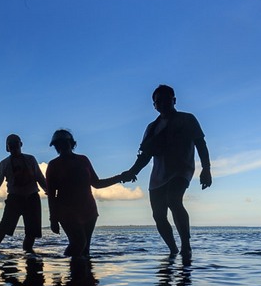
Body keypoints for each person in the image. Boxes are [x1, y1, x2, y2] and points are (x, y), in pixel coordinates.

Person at [118, 84, 212, 259]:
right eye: (157, 101)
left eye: (165, 99)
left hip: (181, 170)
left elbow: (201, 144)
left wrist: (206, 169)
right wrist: (132, 172)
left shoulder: (187, 119)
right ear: (154, 105)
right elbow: (145, 155)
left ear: (174, 100)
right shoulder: (152, 127)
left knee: (173, 200)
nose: (161, 104)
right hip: (158, 176)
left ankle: (186, 246)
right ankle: (173, 250)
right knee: (158, 215)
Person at [46, 129, 122, 258]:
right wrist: (53, 219)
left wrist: (119, 178)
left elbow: (96, 183)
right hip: (67, 212)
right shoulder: (53, 165)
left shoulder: (83, 160)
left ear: (71, 143)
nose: (61, 147)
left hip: (89, 210)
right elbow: (52, 195)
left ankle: (84, 277)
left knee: (85, 249)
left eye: (64, 143)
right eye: (57, 145)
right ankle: (64, 269)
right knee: (79, 243)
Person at [0, 134, 48, 252]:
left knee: (32, 231)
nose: (14, 147)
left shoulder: (30, 159)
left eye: (16, 144)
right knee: (4, 226)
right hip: (14, 199)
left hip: (32, 198)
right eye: (11, 145)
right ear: (7, 148)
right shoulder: (4, 164)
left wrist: (50, 191)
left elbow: (40, 178)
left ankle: (28, 252)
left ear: (20, 144)